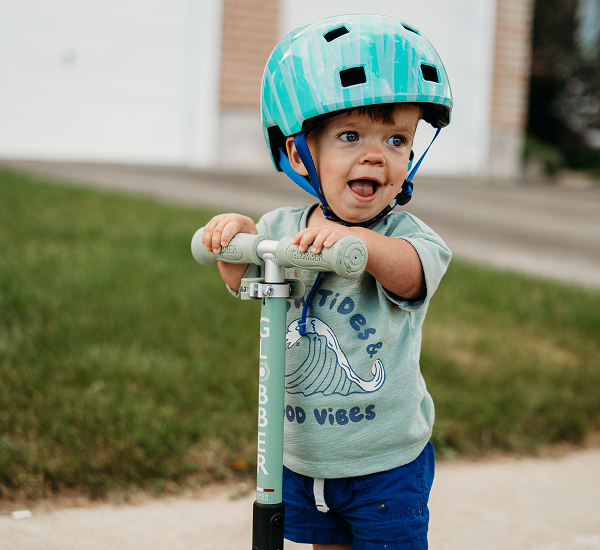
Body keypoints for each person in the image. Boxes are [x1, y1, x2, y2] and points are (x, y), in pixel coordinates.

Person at [203, 14, 453, 550]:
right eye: (349, 135)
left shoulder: (410, 236)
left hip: (384, 464)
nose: (375, 154)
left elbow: (411, 275)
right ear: (299, 154)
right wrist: (235, 237)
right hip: (300, 453)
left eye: (396, 139)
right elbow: (240, 278)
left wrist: (356, 247)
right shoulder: (282, 228)